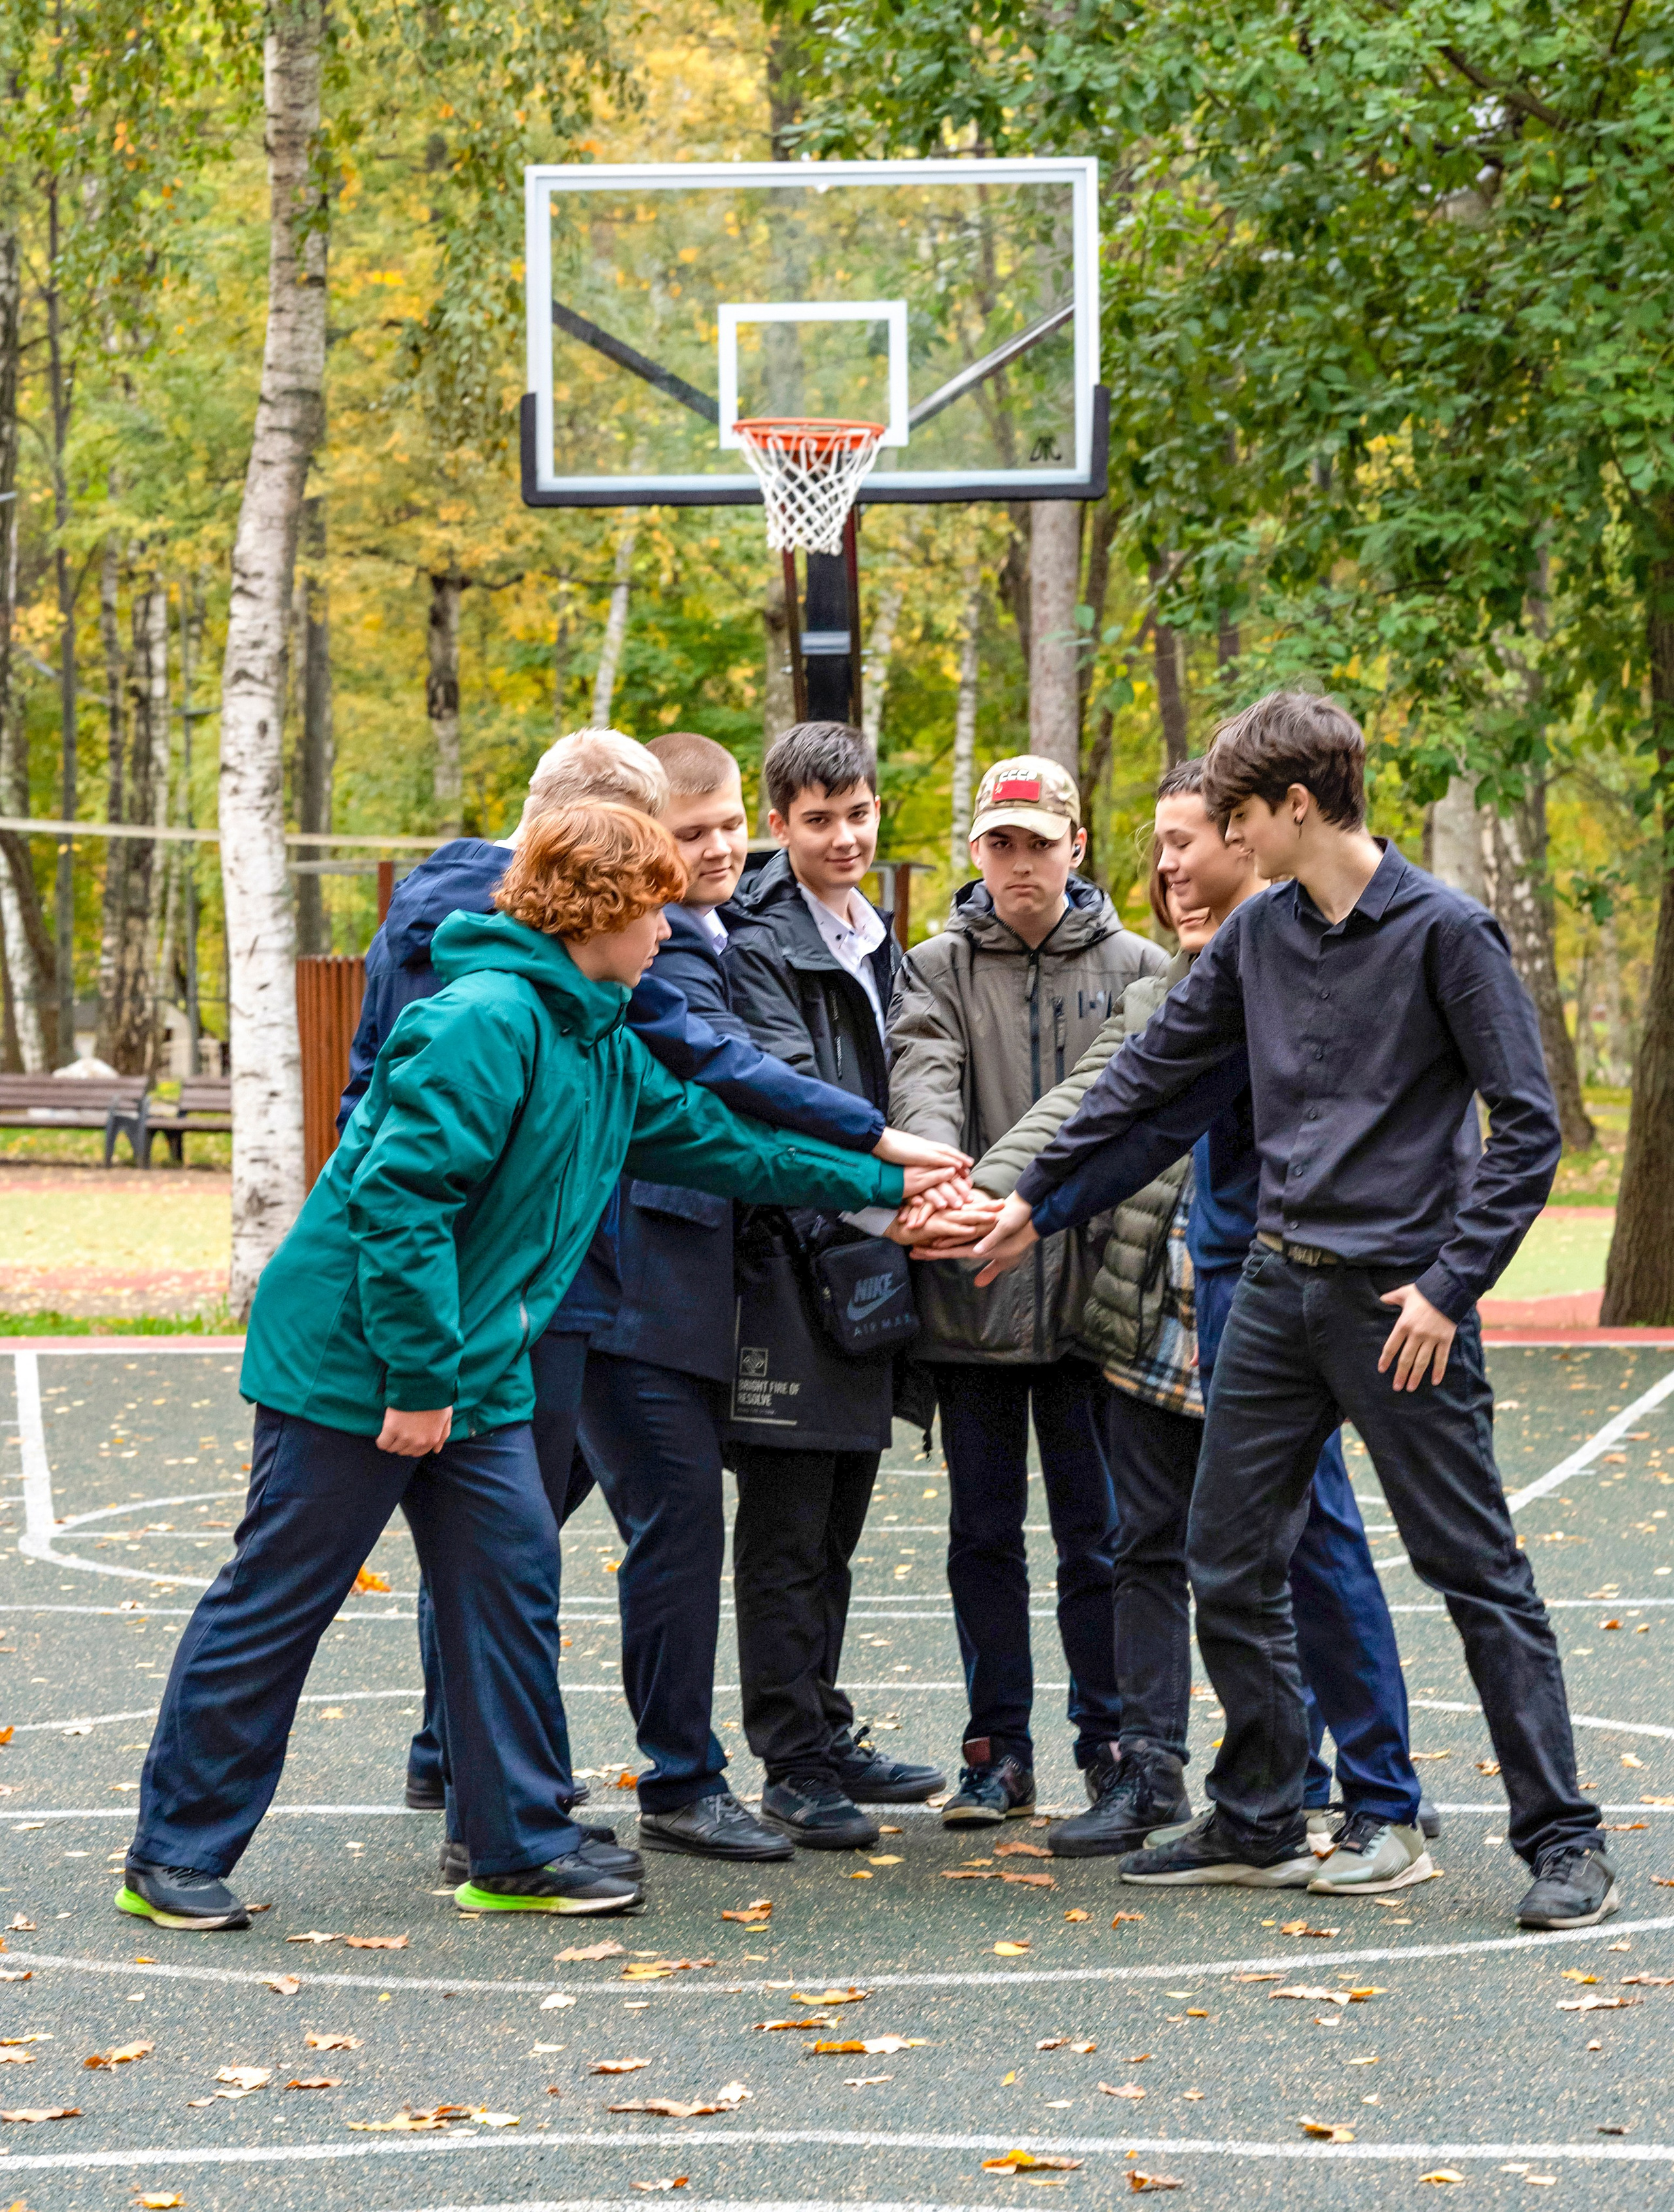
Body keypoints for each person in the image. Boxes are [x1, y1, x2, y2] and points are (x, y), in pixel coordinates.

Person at [120, 803, 921, 1933]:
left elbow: (716, 1138)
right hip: (360, 1365)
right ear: (601, 911)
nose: (673, 931)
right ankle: (173, 1854)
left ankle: (519, 1845)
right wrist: (414, 1382)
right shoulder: (486, 1020)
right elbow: (400, 1204)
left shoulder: (596, 1032)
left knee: (508, 1593)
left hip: (479, 1358)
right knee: (279, 1598)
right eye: (656, 909)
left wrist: (889, 1187)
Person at [960, 692, 1612, 1930]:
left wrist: (1448, 1285)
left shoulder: (1447, 934)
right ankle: (1260, 1812)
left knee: (1473, 1569)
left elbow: (1529, 1130)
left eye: (1239, 818)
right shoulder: (1261, 942)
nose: (1223, 843)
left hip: (1401, 1305)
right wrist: (1036, 1194)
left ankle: (1564, 1840)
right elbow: (1154, 1080)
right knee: (1225, 1555)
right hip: (1272, 1289)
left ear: (1296, 809)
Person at [338, 729, 955, 1839]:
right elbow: (705, 1077)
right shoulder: (551, 960)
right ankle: (646, 1784)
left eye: (720, 832)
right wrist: (875, 1145)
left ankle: (467, 1764)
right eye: (684, 839)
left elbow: (684, 1123)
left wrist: (869, 1160)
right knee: (599, 1524)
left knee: (512, 1529)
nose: (698, 868)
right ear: (605, 852)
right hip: (586, 1276)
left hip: (567, 1272)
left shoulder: (524, 935)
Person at [934, 760, 1433, 1888]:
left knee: (1309, 1551)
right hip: (1149, 1322)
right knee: (1148, 1548)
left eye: (1188, 842)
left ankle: (1373, 1789)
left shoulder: (1317, 980)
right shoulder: (1168, 988)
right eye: (1155, 848)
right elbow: (1093, 1102)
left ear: (1254, 843)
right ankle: (1156, 1771)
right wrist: (994, 1195)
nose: (1168, 871)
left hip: (1275, 1323)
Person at [575, 732, 963, 1864]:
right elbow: (750, 1088)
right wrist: (889, 1180)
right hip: (731, 1264)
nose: (718, 847)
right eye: (694, 834)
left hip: (826, 1242)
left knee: (814, 1513)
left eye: (724, 826)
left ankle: (807, 1735)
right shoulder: (724, 944)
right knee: (736, 1526)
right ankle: (758, 1761)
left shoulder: (869, 939)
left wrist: (902, 1192)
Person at [885, 755, 1167, 1825]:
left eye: (1039, 843)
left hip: (1097, 1308)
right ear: (975, 852)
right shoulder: (935, 967)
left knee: (1101, 1542)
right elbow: (925, 1082)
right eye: (999, 844)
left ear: (1076, 846)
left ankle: (1111, 1743)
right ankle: (997, 1750)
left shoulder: (1141, 963)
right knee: (981, 1539)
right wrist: (943, 1187)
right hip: (974, 1304)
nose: (1020, 864)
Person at [723, 721, 930, 1849]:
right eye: (818, 821)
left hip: (870, 1256)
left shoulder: (880, 936)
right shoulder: (758, 942)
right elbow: (787, 1099)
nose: (843, 837)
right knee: (789, 1527)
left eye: (857, 814)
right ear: (779, 825)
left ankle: (823, 1723)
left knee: (839, 1518)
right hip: (791, 1258)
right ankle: (789, 1759)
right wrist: (898, 1203)